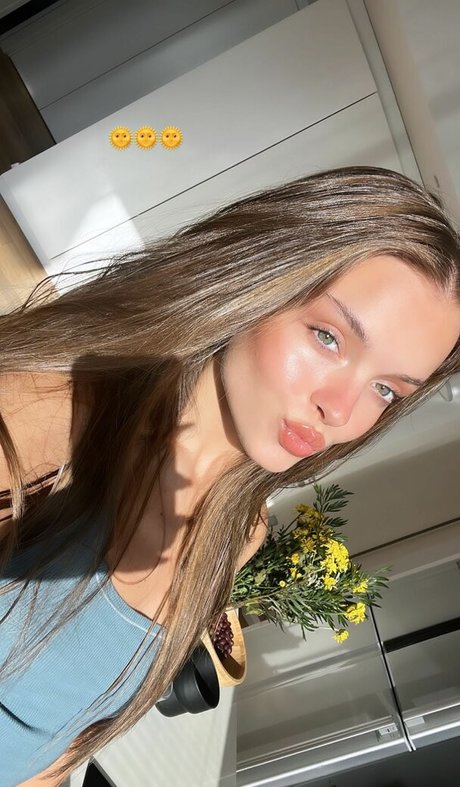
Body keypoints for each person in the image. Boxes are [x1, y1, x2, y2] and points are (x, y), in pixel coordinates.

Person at [0, 165, 459, 786]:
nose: (340, 409)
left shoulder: (238, 528)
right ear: (257, 279)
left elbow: (60, 740)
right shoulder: (50, 415)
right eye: (328, 338)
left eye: (385, 389)